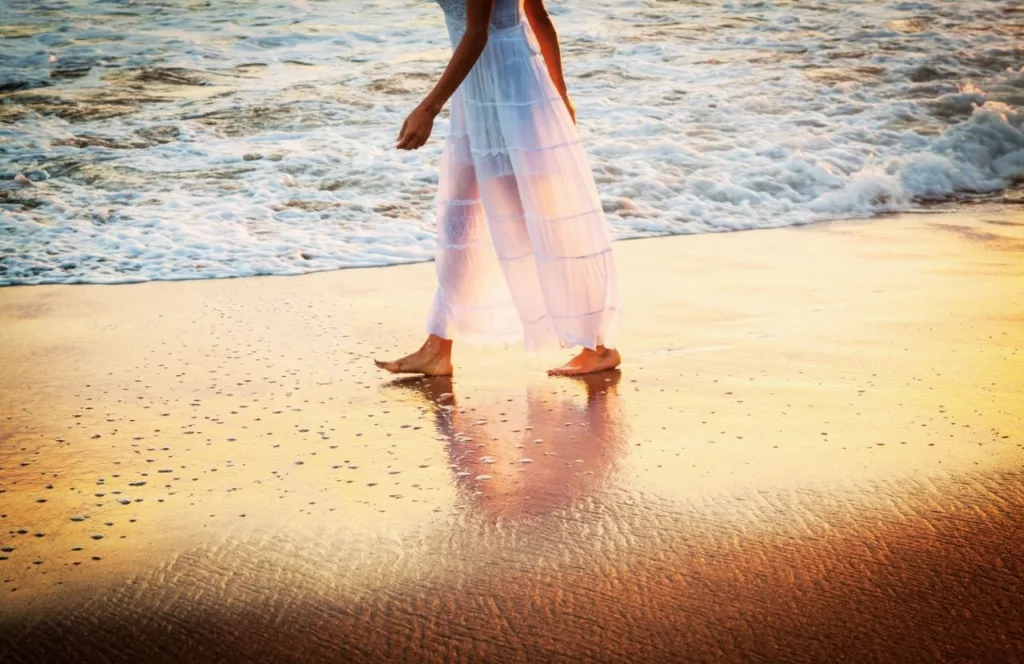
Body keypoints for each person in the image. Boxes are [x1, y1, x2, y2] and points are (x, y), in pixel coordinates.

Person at [374, 0, 621, 377]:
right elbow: (537, 17)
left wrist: (428, 108)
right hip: (479, 90)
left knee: (539, 215)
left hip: (510, 87)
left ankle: (600, 347)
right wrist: (560, 92)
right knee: (460, 216)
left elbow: (478, 33)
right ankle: (437, 347)